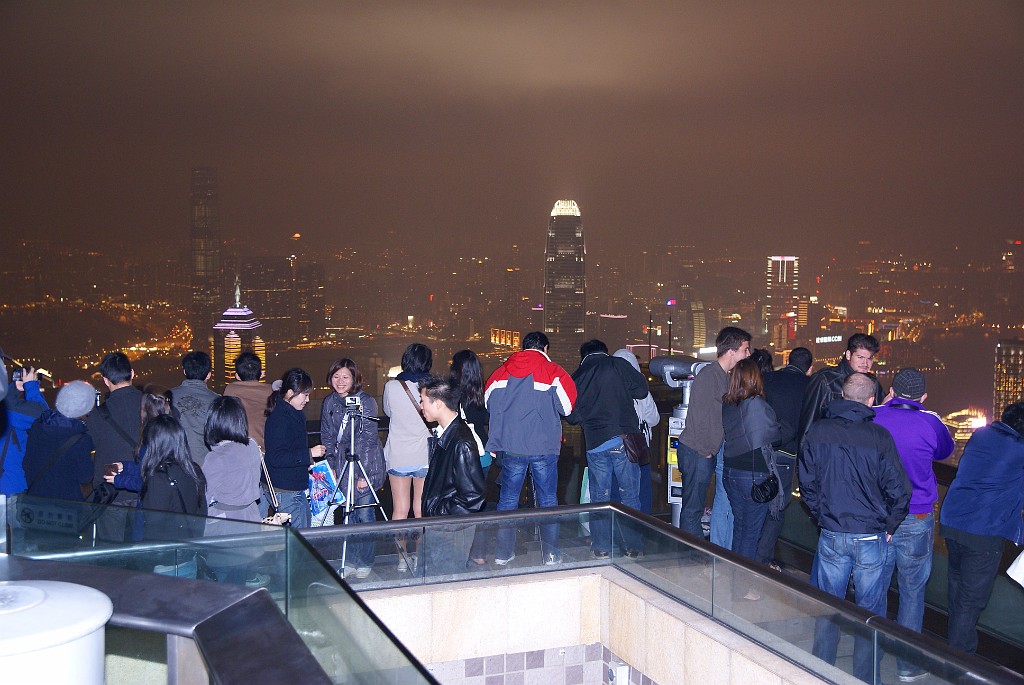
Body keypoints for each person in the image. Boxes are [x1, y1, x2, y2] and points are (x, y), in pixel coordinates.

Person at [799, 373, 910, 683]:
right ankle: (866, 678)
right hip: (872, 535)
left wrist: (822, 515)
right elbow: (900, 490)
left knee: (828, 607)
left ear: (842, 396)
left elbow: (806, 483)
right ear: (871, 401)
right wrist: (890, 524)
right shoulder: (879, 437)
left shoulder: (818, 431)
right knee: (870, 615)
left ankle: (820, 672)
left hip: (832, 532)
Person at [871, 368, 954, 678]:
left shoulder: (874, 415)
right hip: (917, 516)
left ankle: (871, 659)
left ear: (891, 390)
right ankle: (907, 666)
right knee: (912, 592)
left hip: (878, 515)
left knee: (875, 589)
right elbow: (945, 451)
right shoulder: (930, 421)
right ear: (923, 397)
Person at [485, 331, 577, 566]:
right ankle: (551, 555)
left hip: (512, 446)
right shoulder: (553, 371)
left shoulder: (502, 371)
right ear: (545, 348)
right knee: (547, 500)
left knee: (508, 500)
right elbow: (567, 407)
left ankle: (503, 554)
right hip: (544, 447)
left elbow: (489, 402)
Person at [939, 401, 1024, 654]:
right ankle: (959, 663)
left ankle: (951, 651)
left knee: (957, 589)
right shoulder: (1019, 449)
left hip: (953, 521)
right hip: (984, 531)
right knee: (971, 600)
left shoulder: (981, 435)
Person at [567, 339, 650, 559]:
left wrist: (587, 419)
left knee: (599, 497)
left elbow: (570, 414)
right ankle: (633, 547)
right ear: (605, 352)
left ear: (583, 355)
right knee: (630, 495)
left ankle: (601, 547)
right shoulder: (618, 365)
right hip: (623, 440)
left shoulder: (576, 376)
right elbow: (641, 391)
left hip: (595, 444)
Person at [677, 326, 751, 542]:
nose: (748, 354)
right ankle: (691, 554)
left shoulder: (721, 376)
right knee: (693, 508)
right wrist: (706, 451)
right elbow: (697, 417)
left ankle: (691, 552)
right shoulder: (710, 376)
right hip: (697, 452)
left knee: (695, 506)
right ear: (732, 351)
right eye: (745, 349)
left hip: (701, 452)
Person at [320, 358, 385, 577]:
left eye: (345, 377)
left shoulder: (366, 401)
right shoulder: (329, 402)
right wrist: (332, 466)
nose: (340, 381)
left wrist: (362, 474)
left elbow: (368, 438)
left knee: (365, 512)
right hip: (341, 463)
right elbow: (327, 436)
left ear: (354, 378)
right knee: (348, 515)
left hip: (365, 463)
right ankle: (350, 559)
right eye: (336, 376)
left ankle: (365, 560)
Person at [419, 375, 487, 575]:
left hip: (449, 530)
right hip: (443, 527)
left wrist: (439, 512)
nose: (421, 406)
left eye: (423, 400)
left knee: (447, 583)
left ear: (438, 404)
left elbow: (473, 497)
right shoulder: (447, 434)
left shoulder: (461, 442)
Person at [722, 358, 787, 566]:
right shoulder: (757, 404)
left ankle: (734, 581)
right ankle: (743, 589)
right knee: (751, 534)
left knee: (740, 529)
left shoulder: (728, 404)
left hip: (731, 472)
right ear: (755, 378)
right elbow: (774, 437)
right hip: (753, 475)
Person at [756, 346, 813, 568]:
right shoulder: (810, 387)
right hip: (786, 454)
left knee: (758, 502)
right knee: (776, 509)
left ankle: (748, 556)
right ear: (809, 368)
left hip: (761, 450)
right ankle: (762, 561)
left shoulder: (768, 379)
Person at [382, 343, 433, 571]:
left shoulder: (392, 387)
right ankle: (421, 556)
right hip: (424, 454)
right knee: (421, 509)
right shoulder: (432, 387)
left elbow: (387, 411)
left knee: (400, 509)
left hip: (399, 454)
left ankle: (402, 559)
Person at [138, 414, 208, 577]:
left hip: (166, 562)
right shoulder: (193, 470)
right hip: (189, 554)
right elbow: (201, 513)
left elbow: (153, 525)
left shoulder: (159, 478)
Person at [88, 352, 145, 541]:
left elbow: (92, 444)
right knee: (143, 550)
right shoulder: (151, 405)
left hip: (111, 492)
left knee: (112, 551)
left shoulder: (98, 414)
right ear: (132, 373)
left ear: (105, 380)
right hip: (144, 488)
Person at [264, 368, 325, 529]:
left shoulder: (288, 412)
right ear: (291, 392)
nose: (308, 399)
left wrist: (306, 461)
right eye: (305, 395)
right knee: (299, 540)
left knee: (302, 535)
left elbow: (289, 448)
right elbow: (276, 457)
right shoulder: (281, 417)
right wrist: (309, 453)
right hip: (285, 488)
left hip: (291, 486)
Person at [799, 333, 883, 443]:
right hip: (829, 448)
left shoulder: (873, 382)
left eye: (869, 358)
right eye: (860, 357)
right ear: (848, 355)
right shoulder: (825, 380)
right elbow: (808, 424)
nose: (865, 363)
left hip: (863, 448)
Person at [22, 380, 96, 501]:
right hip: (66, 508)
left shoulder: (38, 426)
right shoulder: (82, 440)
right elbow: (85, 477)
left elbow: (26, 464)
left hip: (35, 502)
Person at [612, 348, 660, 514]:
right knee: (641, 493)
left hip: (612, 446)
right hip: (637, 448)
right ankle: (638, 533)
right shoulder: (641, 391)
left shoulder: (609, 389)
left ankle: (614, 534)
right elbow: (654, 419)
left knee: (615, 493)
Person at [204, 396, 262, 523]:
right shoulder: (252, 444)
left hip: (227, 522)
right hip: (252, 515)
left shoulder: (216, 457)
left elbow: (204, 499)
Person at [0, 366, 49, 495]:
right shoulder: (8, 411)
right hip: (9, 489)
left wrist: (15, 388)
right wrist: (31, 386)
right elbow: (45, 418)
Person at [170, 351, 219, 468]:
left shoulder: (168, 397)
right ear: (209, 374)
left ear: (184, 371)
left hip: (176, 464)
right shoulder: (217, 401)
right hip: (207, 465)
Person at [224, 351, 273, 450]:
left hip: (238, 449)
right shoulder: (272, 391)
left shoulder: (231, 389)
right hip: (266, 450)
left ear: (237, 375)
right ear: (261, 373)